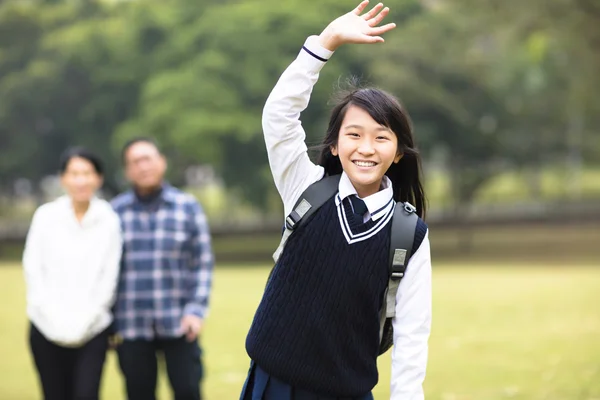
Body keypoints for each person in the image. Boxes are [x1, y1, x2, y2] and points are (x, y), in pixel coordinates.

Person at [241, 2, 432, 399]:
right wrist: (325, 43)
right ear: (333, 145)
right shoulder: (306, 188)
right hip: (272, 386)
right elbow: (278, 116)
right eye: (354, 135)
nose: (366, 148)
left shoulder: (408, 234)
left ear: (398, 152)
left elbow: (412, 332)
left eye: (381, 137)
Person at [111, 137, 214, 400]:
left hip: (179, 320)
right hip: (131, 323)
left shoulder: (187, 207)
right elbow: (105, 270)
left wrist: (195, 310)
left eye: (148, 159)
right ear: (127, 171)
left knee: (188, 390)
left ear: (161, 162)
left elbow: (201, 263)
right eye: (135, 162)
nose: (143, 166)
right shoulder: (114, 213)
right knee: (138, 393)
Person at [22, 147, 122, 400]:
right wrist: (52, 320)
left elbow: (108, 278)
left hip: (92, 330)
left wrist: (85, 323)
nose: (81, 180)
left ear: (98, 178)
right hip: (45, 327)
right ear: (63, 178)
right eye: (74, 173)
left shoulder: (109, 220)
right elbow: (33, 270)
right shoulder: (46, 217)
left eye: (87, 173)